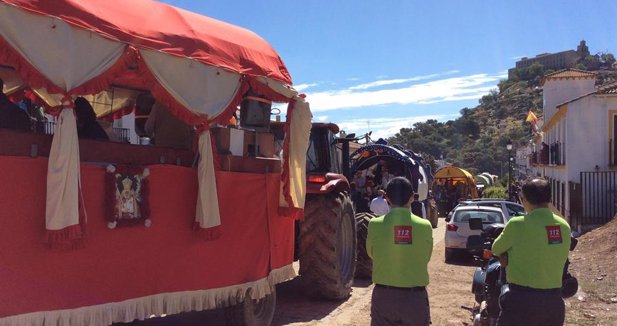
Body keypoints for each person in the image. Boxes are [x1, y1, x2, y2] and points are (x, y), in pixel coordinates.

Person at [492, 178, 571, 326]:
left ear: (525, 200)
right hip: (553, 302)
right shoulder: (564, 226)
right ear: (549, 199)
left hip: (520, 300)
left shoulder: (517, 224)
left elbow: (496, 248)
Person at [367, 177, 433, 326]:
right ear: (412, 197)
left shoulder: (374, 224)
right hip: (415, 299)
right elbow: (426, 257)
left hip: (384, 297)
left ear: (386, 197)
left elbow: (371, 254)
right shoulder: (425, 226)